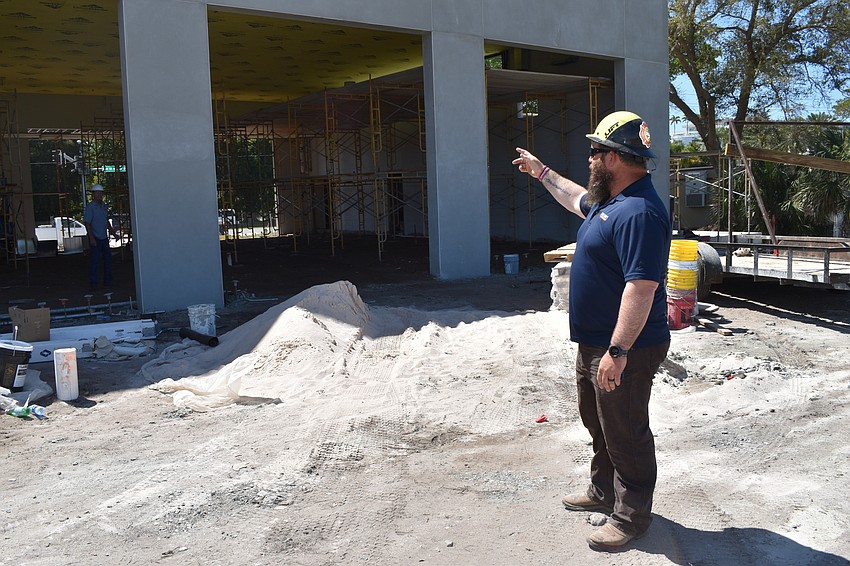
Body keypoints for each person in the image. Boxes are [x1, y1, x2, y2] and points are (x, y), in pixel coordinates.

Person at [512, 111, 671, 552]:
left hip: (625, 347)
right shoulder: (611, 202)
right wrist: (541, 172)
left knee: (626, 430)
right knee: (599, 421)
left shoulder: (638, 212)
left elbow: (641, 288)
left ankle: (632, 516)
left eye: (595, 151)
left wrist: (618, 350)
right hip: (597, 342)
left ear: (616, 158)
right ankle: (603, 491)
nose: (589, 158)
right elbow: (573, 196)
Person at [83, 184, 116, 291]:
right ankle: (93, 283)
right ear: (94, 194)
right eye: (97, 193)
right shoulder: (90, 207)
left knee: (108, 260)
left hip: (104, 238)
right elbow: (87, 223)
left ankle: (108, 282)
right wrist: (91, 238)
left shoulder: (104, 206)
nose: (99, 195)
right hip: (96, 238)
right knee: (95, 261)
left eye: (100, 193)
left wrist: (113, 233)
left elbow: (106, 221)